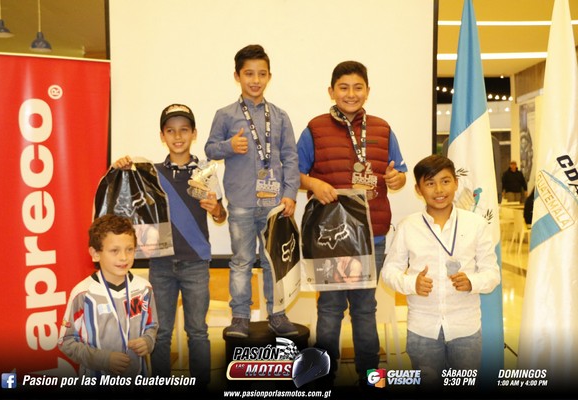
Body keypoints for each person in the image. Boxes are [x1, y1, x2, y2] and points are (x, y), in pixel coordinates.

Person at [297, 60, 407, 387]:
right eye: (343, 87)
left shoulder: (382, 128)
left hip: (372, 236)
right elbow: (295, 174)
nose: (351, 93)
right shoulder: (315, 128)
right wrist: (313, 183)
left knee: (365, 309)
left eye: (358, 87)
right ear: (331, 91)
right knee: (330, 309)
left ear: (368, 91)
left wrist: (397, 178)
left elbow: (399, 173)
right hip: (330, 236)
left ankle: (371, 378)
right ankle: (322, 377)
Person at [112, 103, 227, 389]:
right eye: (171, 131)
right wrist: (119, 167)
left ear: (194, 134)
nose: (178, 136)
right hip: (160, 262)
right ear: (162, 136)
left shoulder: (206, 171)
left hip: (196, 262)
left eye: (184, 130)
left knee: (197, 331)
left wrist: (215, 210)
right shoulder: (149, 172)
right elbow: (123, 192)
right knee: (160, 333)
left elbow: (221, 215)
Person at [205, 44, 300, 338]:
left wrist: (290, 194)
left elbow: (291, 157)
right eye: (249, 74)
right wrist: (229, 146)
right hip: (242, 203)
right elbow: (210, 149)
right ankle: (240, 317)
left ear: (269, 76)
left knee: (274, 262)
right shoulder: (225, 115)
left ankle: (277, 315)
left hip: (274, 204)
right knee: (241, 261)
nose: (255, 80)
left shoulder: (280, 116)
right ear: (237, 76)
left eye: (261, 74)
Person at [381, 154, 500, 389]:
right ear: (418, 189)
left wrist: (472, 282)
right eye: (430, 183)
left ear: (456, 183)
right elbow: (389, 272)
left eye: (445, 181)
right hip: (422, 330)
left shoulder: (476, 224)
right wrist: (411, 283)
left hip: (466, 329)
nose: (439, 190)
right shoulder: (408, 226)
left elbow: (492, 273)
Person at [58, 214, 158, 378]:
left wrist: (148, 341)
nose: (124, 257)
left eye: (129, 249)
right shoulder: (83, 293)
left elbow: (152, 326)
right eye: (114, 251)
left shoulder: (144, 288)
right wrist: (103, 359)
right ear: (95, 253)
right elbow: (66, 341)